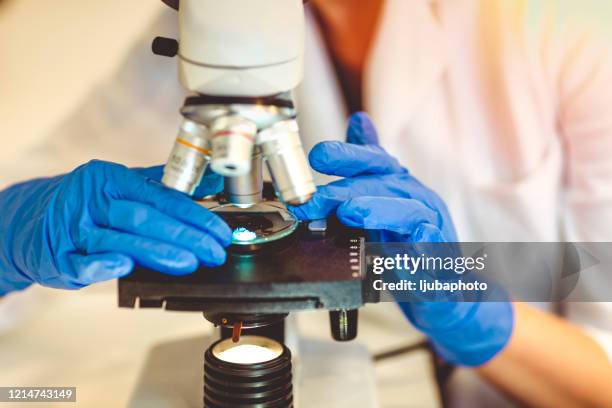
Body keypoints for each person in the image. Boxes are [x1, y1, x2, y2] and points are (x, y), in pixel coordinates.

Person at [1, 1, 611, 406]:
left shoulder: (564, 26)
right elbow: (58, 185)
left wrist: (481, 313)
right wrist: (12, 239)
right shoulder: (206, 30)